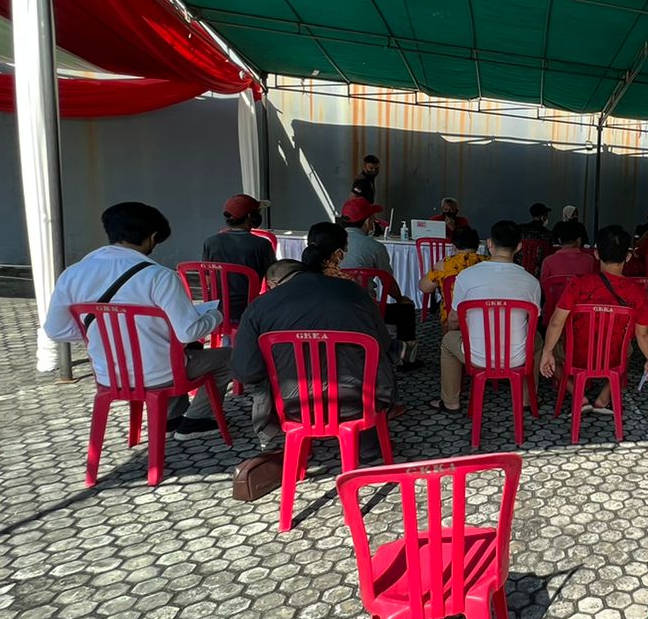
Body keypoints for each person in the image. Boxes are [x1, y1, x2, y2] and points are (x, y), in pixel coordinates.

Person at [44, 201, 232, 440]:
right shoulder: (159, 277)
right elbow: (188, 332)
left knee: (177, 348)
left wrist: (104, 332)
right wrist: (216, 314)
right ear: (152, 237)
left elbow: (56, 330)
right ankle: (196, 420)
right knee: (229, 357)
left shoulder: (72, 274)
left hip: (109, 375)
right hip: (161, 373)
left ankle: (171, 417)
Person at [233, 222, 398, 452]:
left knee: (263, 381)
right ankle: (367, 444)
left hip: (292, 406)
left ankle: (277, 444)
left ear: (274, 282)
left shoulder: (260, 306)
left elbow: (245, 372)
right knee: (380, 358)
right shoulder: (353, 292)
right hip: (357, 403)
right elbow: (382, 343)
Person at [539, 224, 648, 414]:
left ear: (596, 254)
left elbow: (556, 322)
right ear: (628, 256)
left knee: (553, 358)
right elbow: (643, 334)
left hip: (575, 355)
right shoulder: (637, 292)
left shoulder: (578, 284)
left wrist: (547, 351)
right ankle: (603, 398)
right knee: (627, 351)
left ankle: (579, 396)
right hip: (613, 357)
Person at [432, 220, 541, 413]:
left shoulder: (466, 276)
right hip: (517, 357)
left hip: (476, 356)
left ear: (489, 243)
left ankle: (450, 402)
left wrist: (469, 332)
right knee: (538, 339)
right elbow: (531, 322)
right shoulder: (531, 282)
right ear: (519, 247)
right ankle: (526, 398)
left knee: (448, 341)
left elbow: (454, 320)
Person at [338, 196, 419, 365]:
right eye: (373, 218)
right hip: (367, 309)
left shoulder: (332, 243)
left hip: (335, 307)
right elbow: (388, 282)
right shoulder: (375, 247)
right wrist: (400, 299)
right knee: (406, 310)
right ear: (368, 221)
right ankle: (406, 359)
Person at [201, 193, 276, 323]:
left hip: (217, 309)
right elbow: (274, 280)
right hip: (249, 309)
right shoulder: (262, 245)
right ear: (250, 216)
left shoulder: (210, 243)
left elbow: (207, 281)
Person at [418, 225, 485, 326]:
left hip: (452, 320)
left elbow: (425, 288)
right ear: (477, 245)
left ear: (453, 246)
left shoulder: (445, 265)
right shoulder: (488, 262)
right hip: (484, 319)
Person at [539, 219, 598, 306]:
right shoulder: (589, 260)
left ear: (559, 240)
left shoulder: (548, 261)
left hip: (553, 309)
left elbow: (543, 287)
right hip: (580, 309)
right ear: (579, 240)